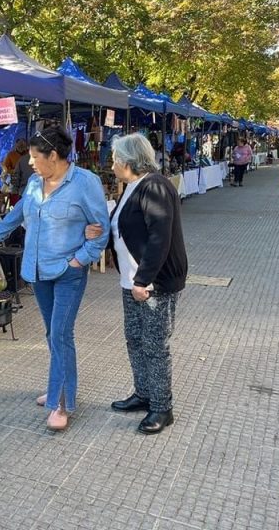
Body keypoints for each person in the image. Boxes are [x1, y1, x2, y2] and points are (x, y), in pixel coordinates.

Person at [0, 126, 110, 431]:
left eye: (34, 156)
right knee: (53, 334)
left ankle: (60, 403)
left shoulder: (85, 183)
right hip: (37, 271)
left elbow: (101, 229)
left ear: (53, 156)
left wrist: (79, 260)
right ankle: (58, 386)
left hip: (68, 273)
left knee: (61, 334)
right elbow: (19, 213)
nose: (29, 162)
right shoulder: (34, 183)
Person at [106, 133, 187, 435]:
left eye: (114, 159)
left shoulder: (154, 186)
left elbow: (159, 237)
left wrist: (143, 279)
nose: (111, 165)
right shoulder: (133, 186)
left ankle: (162, 407)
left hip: (153, 283)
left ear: (128, 161)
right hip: (132, 281)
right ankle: (144, 393)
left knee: (154, 345)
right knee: (135, 339)